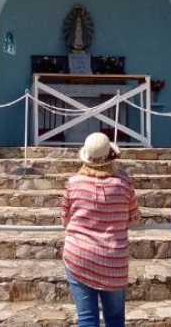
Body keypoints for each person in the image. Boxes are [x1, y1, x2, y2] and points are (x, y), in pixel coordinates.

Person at [61, 132, 141, 327]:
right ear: (111, 156)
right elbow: (135, 219)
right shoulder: (124, 184)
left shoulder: (73, 184)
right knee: (114, 318)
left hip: (79, 255)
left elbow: (65, 219)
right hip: (113, 259)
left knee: (87, 318)